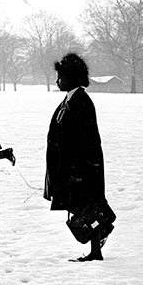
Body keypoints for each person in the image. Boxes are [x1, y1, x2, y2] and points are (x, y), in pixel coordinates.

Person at [44, 53, 111, 262]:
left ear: (72, 77)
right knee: (82, 207)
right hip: (70, 167)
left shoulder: (81, 102)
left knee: (86, 207)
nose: (57, 81)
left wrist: (79, 170)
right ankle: (98, 244)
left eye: (61, 77)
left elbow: (87, 140)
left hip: (81, 168)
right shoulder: (70, 99)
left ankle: (98, 245)